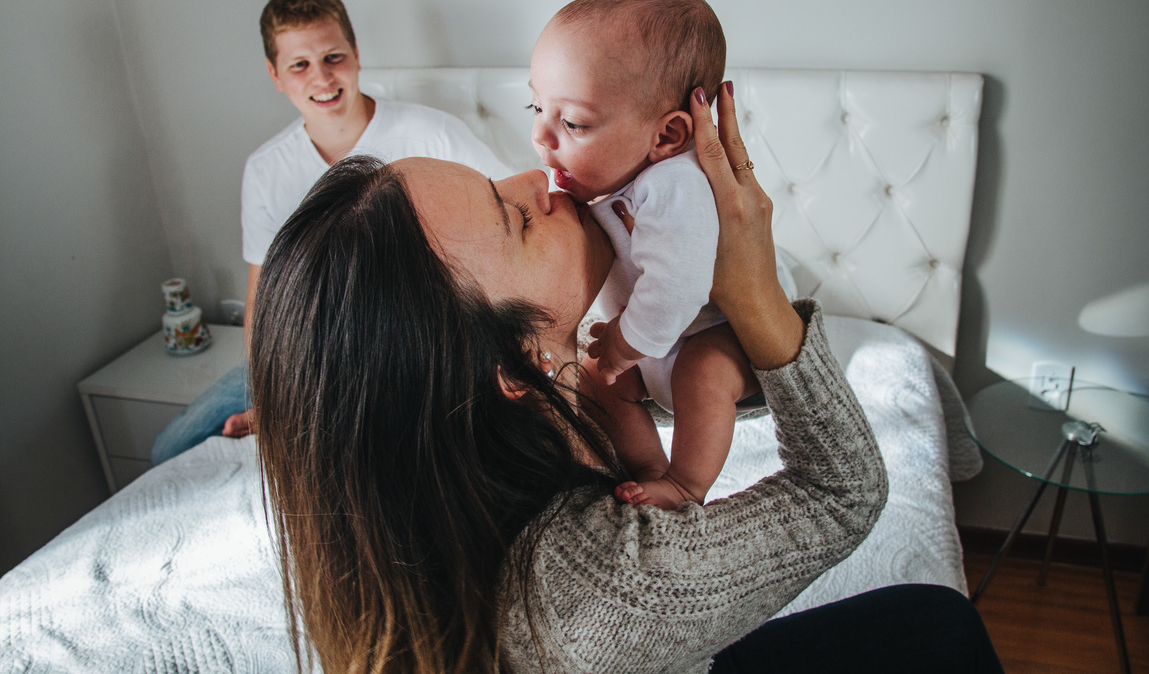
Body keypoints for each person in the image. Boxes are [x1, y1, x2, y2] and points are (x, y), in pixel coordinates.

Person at [253, 82, 1004, 673]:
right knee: (941, 623)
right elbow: (844, 491)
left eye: (498, 180)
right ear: (507, 367)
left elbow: (693, 395)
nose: (539, 178)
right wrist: (756, 295)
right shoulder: (599, 590)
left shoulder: (432, 469)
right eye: (516, 219)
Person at [150, 0, 509, 465]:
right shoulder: (266, 169)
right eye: (299, 65)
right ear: (275, 75)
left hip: (414, 336)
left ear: (357, 54)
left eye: (333, 56)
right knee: (170, 448)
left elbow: (508, 217)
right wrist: (270, 395)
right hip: (308, 347)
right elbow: (263, 294)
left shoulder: (431, 134)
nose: (322, 77)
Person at [529, 0, 754, 510]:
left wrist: (627, 345)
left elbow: (678, 285)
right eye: (535, 108)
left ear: (668, 137)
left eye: (574, 122)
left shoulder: (674, 184)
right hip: (652, 341)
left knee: (701, 372)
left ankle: (686, 483)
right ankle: (646, 467)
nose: (542, 135)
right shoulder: (608, 181)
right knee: (593, 379)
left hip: (720, 339)